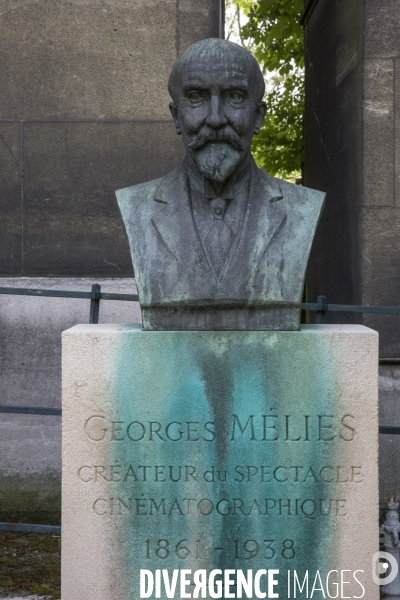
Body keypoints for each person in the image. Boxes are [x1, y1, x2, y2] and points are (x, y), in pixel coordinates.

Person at [116, 38, 325, 331]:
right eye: (196, 96)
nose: (215, 119)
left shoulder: (302, 209)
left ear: (258, 117)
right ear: (176, 117)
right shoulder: (136, 206)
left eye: (235, 97)